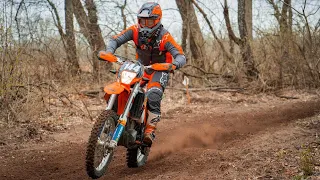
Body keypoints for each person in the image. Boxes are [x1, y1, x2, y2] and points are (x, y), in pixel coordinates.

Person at [104, 2, 186, 145]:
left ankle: (149, 130)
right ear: (138, 20)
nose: (146, 25)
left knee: (153, 93)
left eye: (150, 21)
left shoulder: (165, 37)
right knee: (122, 86)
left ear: (157, 20)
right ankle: (117, 117)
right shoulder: (134, 30)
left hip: (158, 70)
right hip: (140, 68)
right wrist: (109, 52)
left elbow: (181, 56)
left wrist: (173, 64)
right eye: (143, 21)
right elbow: (115, 40)